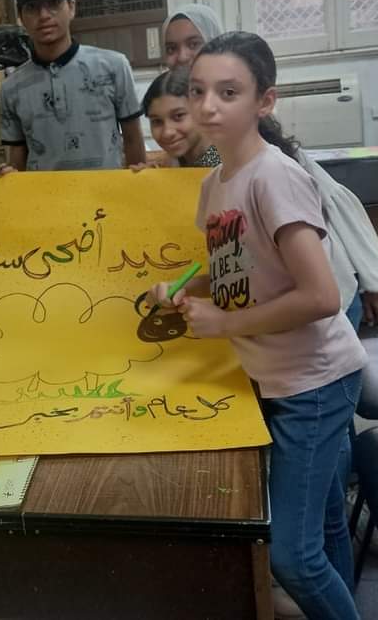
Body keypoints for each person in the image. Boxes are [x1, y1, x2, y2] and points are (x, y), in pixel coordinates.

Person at [148, 31, 366, 620]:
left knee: (294, 557)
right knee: (324, 522)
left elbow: (320, 296)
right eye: (198, 91)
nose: (208, 106)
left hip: (315, 381)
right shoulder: (215, 184)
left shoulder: (274, 177)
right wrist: (184, 288)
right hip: (279, 377)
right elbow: (238, 270)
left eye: (229, 92)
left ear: (264, 102)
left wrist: (224, 323)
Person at [159, 4, 378, 330]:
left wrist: (373, 281)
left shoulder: (263, 160)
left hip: (313, 322)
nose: (181, 56)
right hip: (273, 317)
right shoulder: (212, 164)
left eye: (193, 44)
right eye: (171, 48)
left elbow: (326, 214)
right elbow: (239, 263)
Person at [0, 0, 146, 170]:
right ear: (20, 16)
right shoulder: (11, 88)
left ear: (71, 7)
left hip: (106, 190)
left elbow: (133, 139)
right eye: (32, 6)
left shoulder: (114, 67)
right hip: (45, 192)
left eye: (54, 2)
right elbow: (17, 160)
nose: (44, 15)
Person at [139, 66, 220, 168]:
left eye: (178, 116)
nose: (167, 133)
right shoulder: (176, 161)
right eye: (157, 121)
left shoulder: (227, 167)